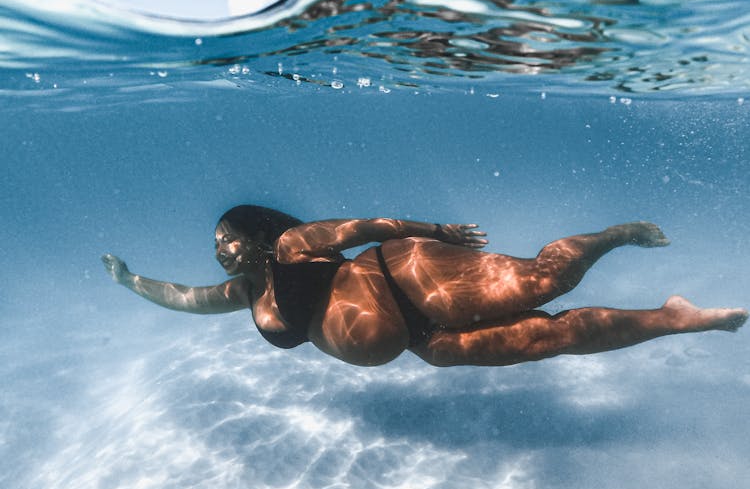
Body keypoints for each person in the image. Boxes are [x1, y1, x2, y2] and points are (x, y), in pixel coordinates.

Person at [103, 207, 747, 367]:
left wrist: (430, 228)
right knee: (554, 338)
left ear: (257, 233)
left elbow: (362, 224)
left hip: (409, 279)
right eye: (215, 246)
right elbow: (180, 296)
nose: (218, 250)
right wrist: (133, 282)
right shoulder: (247, 297)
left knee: (546, 283)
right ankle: (675, 316)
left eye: (226, 238)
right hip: (421, 340)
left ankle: (613, 234)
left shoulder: (296, 246)